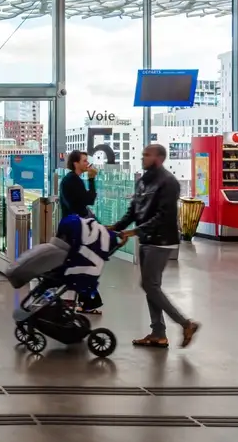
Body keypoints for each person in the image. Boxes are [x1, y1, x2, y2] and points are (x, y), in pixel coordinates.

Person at [112, 144, 201, 349]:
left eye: (147, 155)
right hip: (147, 239)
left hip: (161, 240)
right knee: (152, 287)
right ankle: (158, 333)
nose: (142, 158)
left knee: (149, 285)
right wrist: (115, 228)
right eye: (142, 154)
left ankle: (186, 324)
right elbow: (133, 210)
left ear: (159, 158)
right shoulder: (143, 181)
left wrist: (135, 231)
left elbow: (164, 216)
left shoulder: (168, 182)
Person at [60, 150, 102, 314]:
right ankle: (86, 301)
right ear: (76, 163)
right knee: (82, 265)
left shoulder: (72, 180)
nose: (87, 163)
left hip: (74, 227)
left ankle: (86, 301)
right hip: (76, 229)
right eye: (84, 161)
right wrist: (92, 179)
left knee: (81, 264)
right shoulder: (73, 181)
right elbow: (88, 200)